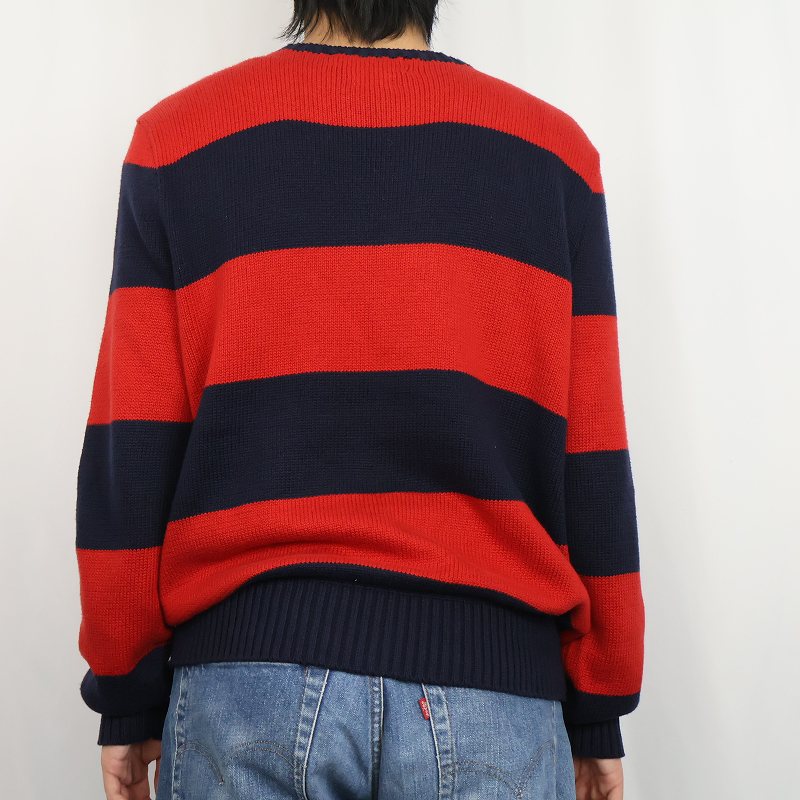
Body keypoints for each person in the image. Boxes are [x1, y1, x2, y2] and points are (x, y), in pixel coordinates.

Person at [75, 2, 645, 798]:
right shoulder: (552, 158)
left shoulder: (181, 141)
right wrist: (598, 706)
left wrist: (126, 693)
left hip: (248, 688)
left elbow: (132, 447)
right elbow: (593, 457)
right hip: (495, 697)